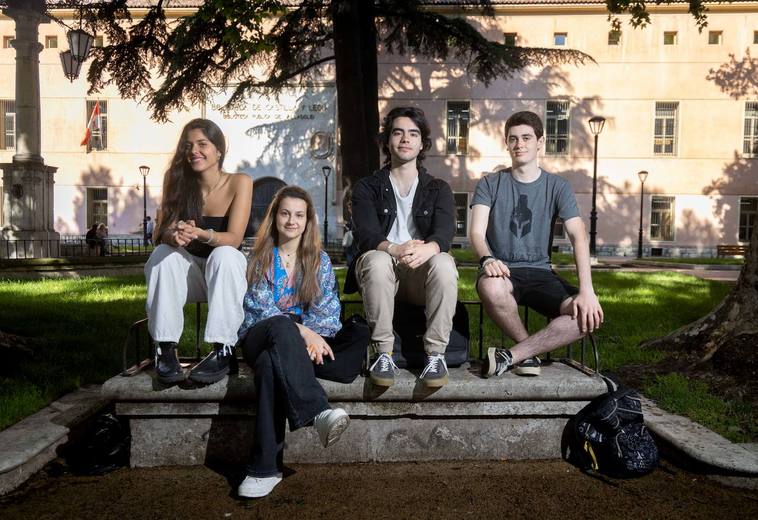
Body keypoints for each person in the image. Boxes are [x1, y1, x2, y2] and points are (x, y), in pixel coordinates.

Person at [237, 186, 366, 498]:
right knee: (281, 325)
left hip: (291, 347)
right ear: (274, 217)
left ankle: (264, 469)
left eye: (299, 215)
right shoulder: (257, 255)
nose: (291, 221)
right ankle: (319, 412)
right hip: (260, 334)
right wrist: (304, 333)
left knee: (271, 365)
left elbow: (328, 309)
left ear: (308, 221)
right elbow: (261, 308)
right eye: (285, 213)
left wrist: (311, 336)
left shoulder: (318, 261)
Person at [469, 110, 604, 378]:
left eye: (526, 138)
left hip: (542, 273)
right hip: (504, 271)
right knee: (490, 286)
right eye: (513, 139)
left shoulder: (557, 186)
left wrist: (587, 290)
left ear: (540, 143)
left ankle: (514, 356)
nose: (519, 144)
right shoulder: (490, 183)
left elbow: (578, 235)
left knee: (587, 316)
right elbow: (476, 233)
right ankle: (528, 354)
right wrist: (487, 259)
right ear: (506, 143)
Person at [346, 106, 457, 388]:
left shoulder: (438, 188)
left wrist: (428, 249)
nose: (405, 139)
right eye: (398, 132)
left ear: (422, 143)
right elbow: (367, 235)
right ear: (387, 141)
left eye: (413, 133)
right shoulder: (367, 188)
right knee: (377, 259)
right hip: (384, 270)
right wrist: (396, 249)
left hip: (423, 271)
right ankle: (382, 353)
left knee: (444, 261)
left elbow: (445, 232)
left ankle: (436, 356)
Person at [145, 118, 253, 385]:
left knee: (226, 254)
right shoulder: (176, 179)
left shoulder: (240, 182)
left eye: (202, 144)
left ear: (218, 150)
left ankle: (223, 349)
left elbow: (235, 237)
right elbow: (161, 232)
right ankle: (165, 349)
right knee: (162, 255)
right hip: (188, 275)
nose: (194, 151)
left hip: (225, 276)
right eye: (188, 145)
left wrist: (202, 234)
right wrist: (175, 235)